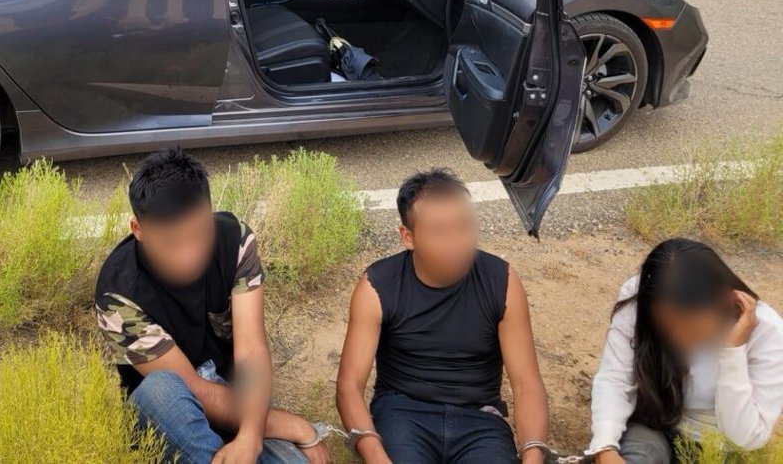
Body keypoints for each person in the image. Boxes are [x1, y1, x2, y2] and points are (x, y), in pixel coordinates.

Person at [94, 148, 335, 464]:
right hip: (173, 414)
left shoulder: (235, 241)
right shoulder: (117, 294)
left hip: (236, 397)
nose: (188, 255)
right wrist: (295, 426)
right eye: (170, 241)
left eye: (198, 234)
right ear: (138, 230)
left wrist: (250, 437)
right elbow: (192, 388)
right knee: (161, 389)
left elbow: (251, 351)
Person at [335, 169, 550, 464]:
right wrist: (374, 453)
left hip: (479, 420)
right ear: (408, 237)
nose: (457, 244)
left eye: (464, 227)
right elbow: (349, 384)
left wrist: (533, 453)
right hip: (403, 414)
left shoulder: (502, 281)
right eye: (440, 231)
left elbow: (527, 383)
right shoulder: (377, 286)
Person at [587, 238, 783, 464]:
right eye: (667, 325)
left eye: (692, 327)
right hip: (654, 427)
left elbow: (746, 438)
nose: (678, 338)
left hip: (718, 447)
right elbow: (615, 379)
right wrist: (605, 447)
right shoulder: (639, 297)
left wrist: (732, 352)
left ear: (726, 301)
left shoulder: (769, 335)